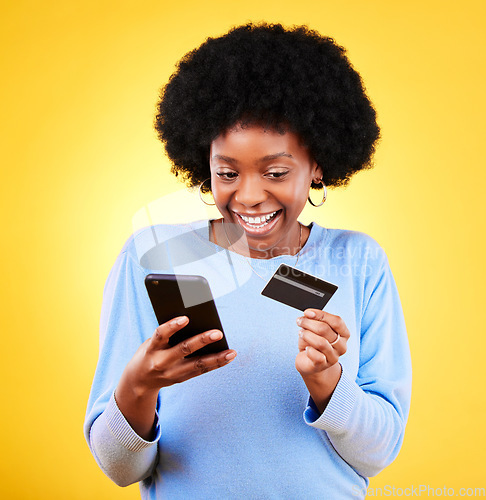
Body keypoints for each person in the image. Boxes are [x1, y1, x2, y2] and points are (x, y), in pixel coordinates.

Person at [84, 23, 412, 499]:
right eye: (227, 172)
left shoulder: (358, 261)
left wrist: (327, 382)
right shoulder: (154, 256)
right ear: (203, 163)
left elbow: (379, 453)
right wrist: (139, 386)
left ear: (317, 163)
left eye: (276, 172)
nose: (250, 196)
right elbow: (119, 469)